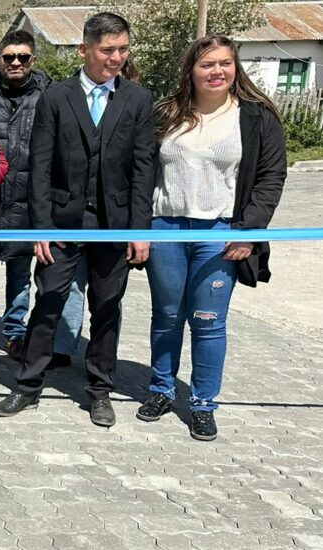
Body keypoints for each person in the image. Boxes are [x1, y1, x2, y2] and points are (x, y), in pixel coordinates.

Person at [0, 13, 156, 427]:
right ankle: (28, 386)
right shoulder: (56, 97)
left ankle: (99, 390)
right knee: (48, 303)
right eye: (107, 50)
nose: (116, 58)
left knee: (106, 308)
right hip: (62, 223)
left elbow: (143, 170)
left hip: (114, 224)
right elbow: (40, 166)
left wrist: (139, 230)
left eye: (122, 49)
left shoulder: (137, 99)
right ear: (84, 50)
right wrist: (41, 228)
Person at [135, 35, 285, 441]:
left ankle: (203, 404)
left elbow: (271, 179)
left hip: (220, 233)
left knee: (208, 321)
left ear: (236, 67)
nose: (217, 71)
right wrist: (139, 228)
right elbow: (143, 173)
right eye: (207, 64)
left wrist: (249, 232)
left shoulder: (256, 117)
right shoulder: (166, 113)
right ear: (191, 71)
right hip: (165, 228)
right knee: (166, 317)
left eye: (225, 63)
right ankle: (161, 389)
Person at [0, 30, 52, 364]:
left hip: (28, 199)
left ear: (33, 60)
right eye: (9, 57)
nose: (15, 62)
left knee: (20, 273)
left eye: (23, 57)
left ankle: (15, 333)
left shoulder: (48, 96)